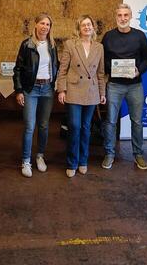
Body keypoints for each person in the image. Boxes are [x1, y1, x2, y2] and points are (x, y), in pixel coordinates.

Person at [101, 3, 147, 170]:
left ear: (131, 16)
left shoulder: (139, 36)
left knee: (137, 121)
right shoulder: (108, 36)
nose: (122, 18)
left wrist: (138, 71)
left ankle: (138, 154)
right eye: (119, 15)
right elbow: (103, 59)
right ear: (115, 17)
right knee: (110, 121)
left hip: (135, 85)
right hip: (114, 85)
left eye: (125, 15)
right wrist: (113, 69)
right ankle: (109, 153)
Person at [57, 15, 106, 177]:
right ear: (78, 28)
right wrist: (61, 90)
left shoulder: (99, 47)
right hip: (73, 90)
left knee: (86, 128)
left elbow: (100, 73)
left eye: (89, 24)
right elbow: (63, 69)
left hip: (91, 92)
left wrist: (102, 93)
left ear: (93, 27)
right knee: (74, 126)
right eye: (83, 25)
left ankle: (83, 161)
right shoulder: (70, 44)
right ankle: (72, 162)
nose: (87, 27)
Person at [13, 13, 59, 178]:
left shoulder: (52, 45)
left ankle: (40, 156)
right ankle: (26, 160)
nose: (45, 27)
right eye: (42, 23)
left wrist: (55, 85)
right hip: (30, 89)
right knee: (29, 126)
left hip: (47, 89)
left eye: (48, 24)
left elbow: (56, 66)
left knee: (44, 125)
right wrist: (19, 90)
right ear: (36, 25)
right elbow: (18, 69)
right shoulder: (27, 45)